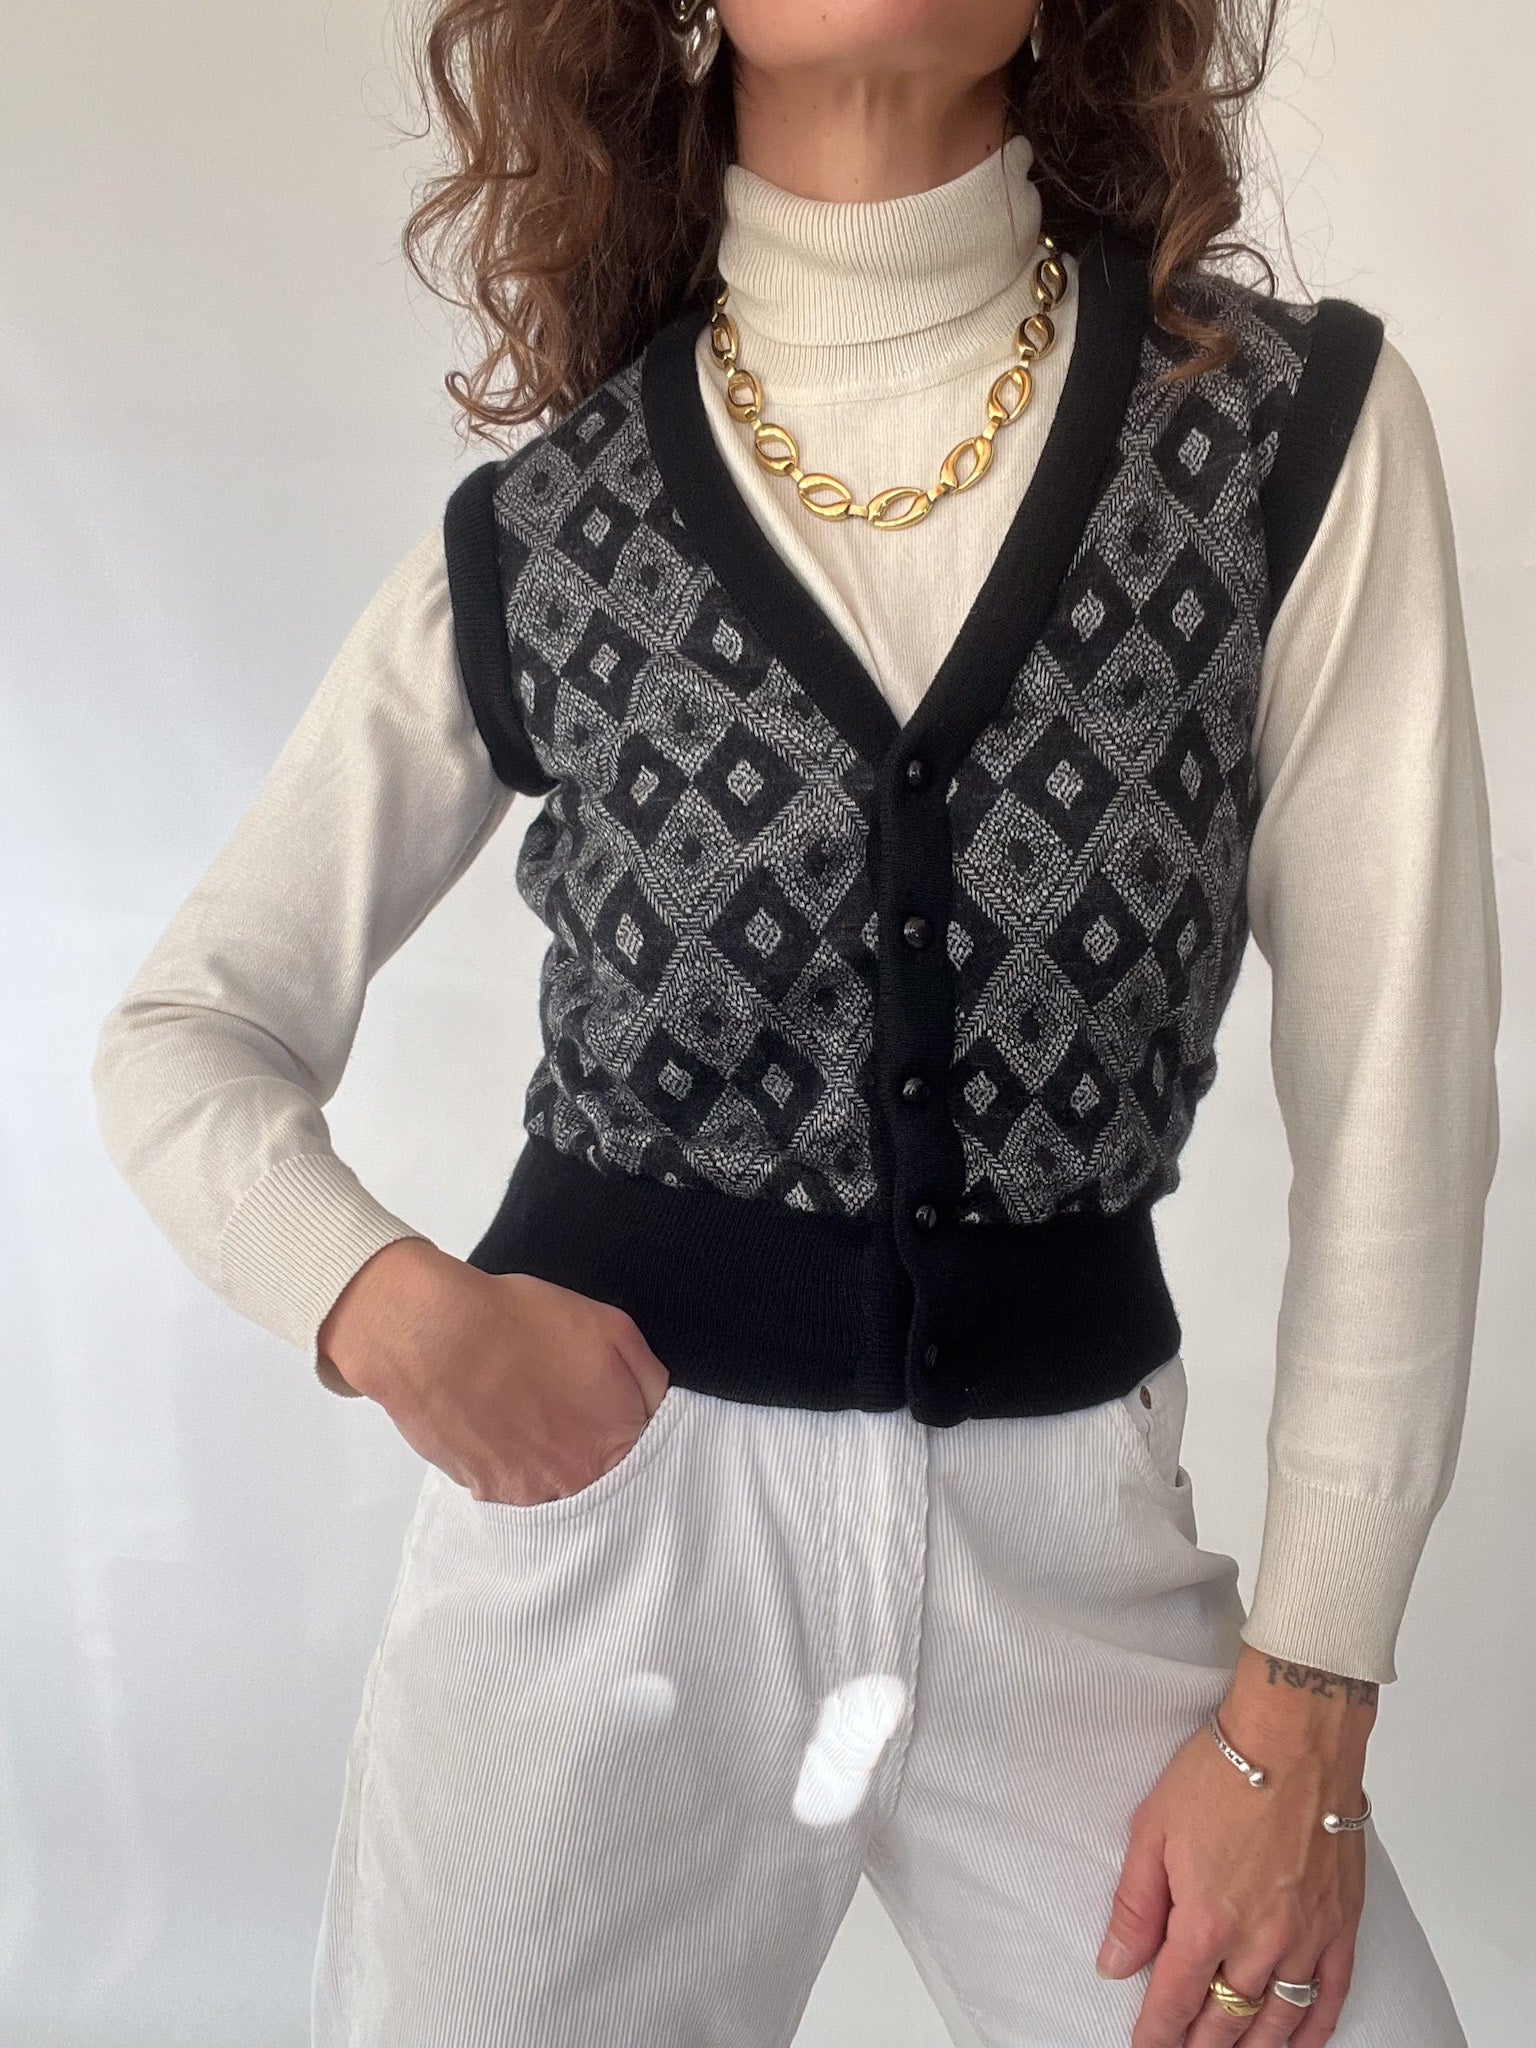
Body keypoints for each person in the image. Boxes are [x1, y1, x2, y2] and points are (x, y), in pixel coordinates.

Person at [91, 1, 1501, 2043]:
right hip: (602, 1547)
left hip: (1074, 1546)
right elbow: (185, 1028)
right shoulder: (550, 533)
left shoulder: (1279, 438)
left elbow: (1398, 1109)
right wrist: (394, 1314)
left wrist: (1308, 1711)